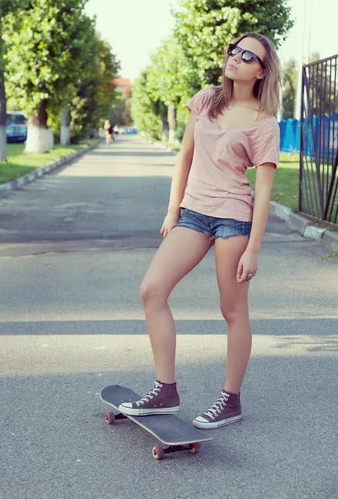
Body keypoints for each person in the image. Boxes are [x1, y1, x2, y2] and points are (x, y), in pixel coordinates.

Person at [119, 32, 281, 429]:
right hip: (193, 212)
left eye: (248, 56)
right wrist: (172, 211)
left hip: (233, 220)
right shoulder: (207, 99)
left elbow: (262, 193)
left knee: (232, 310)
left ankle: (230, 399)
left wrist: (253, 248)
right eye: (234, 50)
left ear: (261, 71)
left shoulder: (265, 124)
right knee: (151, 290)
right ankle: (165, 389)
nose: (236, 58)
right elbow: (185, 156)